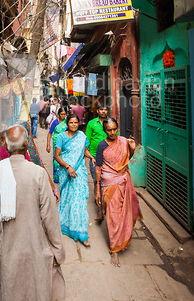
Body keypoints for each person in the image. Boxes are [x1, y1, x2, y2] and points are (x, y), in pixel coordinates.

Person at [0, 125, 65, 301]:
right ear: (27, 146)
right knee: (32, 299)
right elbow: (50, 218)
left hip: (2, 249)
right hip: (32, 247)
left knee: (5, 296)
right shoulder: (37, 174)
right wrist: (57, 251)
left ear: (6, 148)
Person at [95, 118, 142, 267]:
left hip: (124, 179)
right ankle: (114, 249)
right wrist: (97, 189)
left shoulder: (123, 141)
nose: (112, 132)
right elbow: (98, 168)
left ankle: (123, 238)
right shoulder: (101, 146)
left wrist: (132, 148)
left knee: (125, 210)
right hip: (109, 182)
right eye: (109, 130)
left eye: (114, 129)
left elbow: (127, 159)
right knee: (113, 214)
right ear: (104, 131)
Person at [54, 113, 96, 247]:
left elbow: (84, 151)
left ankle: (81, 232)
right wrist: (68, 167)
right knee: (68, 198)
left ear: (79, 124)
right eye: (71, 123)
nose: (74, 125)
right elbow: (57, 156)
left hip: (80, 173)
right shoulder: (61, 137)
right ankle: (67, 224)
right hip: (66, 172)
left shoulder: (82, 137)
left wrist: (91, 157)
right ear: (67, 124)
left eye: (76, 123)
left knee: (79, 199)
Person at [46, 107, 67, 183]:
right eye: (61, 114)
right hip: (56, 143)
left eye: (64, 114)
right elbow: (50, 133)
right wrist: (48, 145)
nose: (63, 116)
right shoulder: (55, 122)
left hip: (65, 144)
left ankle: (64, 177)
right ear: (58, 114)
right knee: (56, 160)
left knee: (64, 159)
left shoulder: (67, 122)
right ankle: (57, 178)